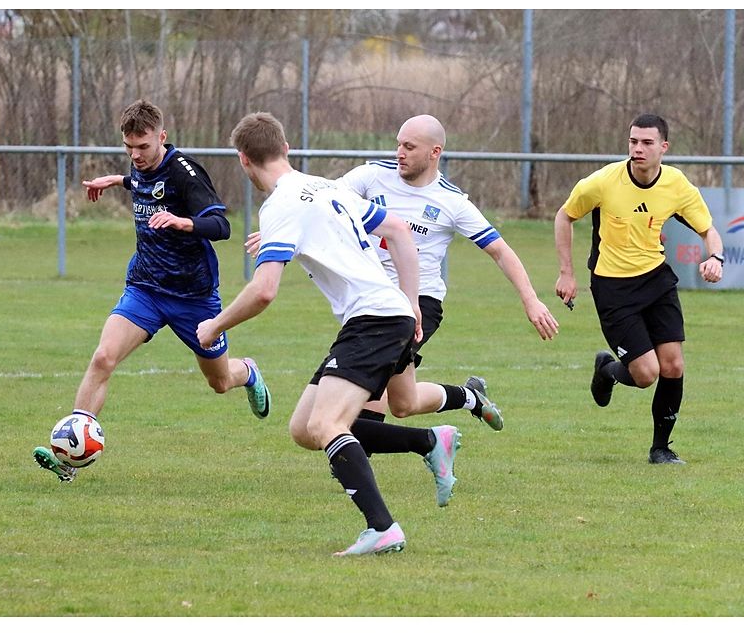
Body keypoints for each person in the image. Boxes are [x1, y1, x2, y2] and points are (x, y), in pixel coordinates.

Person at [198, 111, 461, 556]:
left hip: (374, 319)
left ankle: (382, 528)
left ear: (243, 161)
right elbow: (396, 230)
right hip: (382, 315)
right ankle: (429, 440)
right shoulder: (325, 186)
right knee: (305, 427)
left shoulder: (279, 205)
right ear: (285, 148)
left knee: (326, 423)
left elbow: (263, 291)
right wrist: (412, 302)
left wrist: (215, 326)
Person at [32, 100, 271, 483]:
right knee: (103, 358)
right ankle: (69, 458)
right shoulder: (138, 164)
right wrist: (118, 180)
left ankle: (249, 371)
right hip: (144, 286)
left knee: (219, 381)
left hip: (193, 296)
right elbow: (147, 184)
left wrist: (183, 222)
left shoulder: (185, 172)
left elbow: (220, 226)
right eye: (129, 148)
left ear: (162, 137)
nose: (135, 155)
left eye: (143, 147)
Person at [340, 114, 559, 432]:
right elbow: (324, 201)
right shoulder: (371, 175)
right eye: (398, 144)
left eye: (409, 146)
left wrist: (531, 300)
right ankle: (469, 397)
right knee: (403, 404)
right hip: (372, 298)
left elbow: (500, 251)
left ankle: (355, 460)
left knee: (371, 376)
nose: (399, 152)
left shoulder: (451, 202)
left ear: (434, 152)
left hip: (421, 302)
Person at [554, 113, 724, 465]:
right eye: (633, 141)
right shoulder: (603, 182)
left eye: (647, 142)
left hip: (656, 281)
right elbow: (564, 216)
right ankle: (607, 371)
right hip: (613, 287)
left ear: (664, 147)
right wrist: (566, 273)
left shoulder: (676, 184)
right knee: (646, 374)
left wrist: (716, 258)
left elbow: (708, 230)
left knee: (673, 365)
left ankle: (660, 448)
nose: (638, 149)